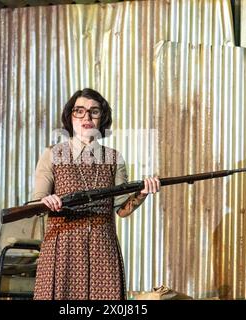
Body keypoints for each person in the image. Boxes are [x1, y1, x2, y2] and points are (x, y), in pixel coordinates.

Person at [32, 88, 160, 300]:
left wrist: (142, 193)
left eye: (94, 111)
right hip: (63, 249)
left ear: (103, 118)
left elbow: (122, 209)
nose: (87, 117)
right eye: (79, 111)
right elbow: (37, 202)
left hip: (102, 249)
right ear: (69, 116)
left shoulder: (113, 158)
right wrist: (47, 201)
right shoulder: (52, 155)